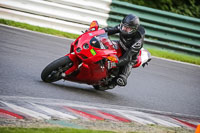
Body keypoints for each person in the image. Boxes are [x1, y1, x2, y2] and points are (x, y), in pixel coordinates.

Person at [103, 14, 145, 86]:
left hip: (130, 54)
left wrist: (114, 64)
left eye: (128, 28)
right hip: (120, 44)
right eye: (124, 26)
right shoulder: (122, 27)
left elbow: (127, 57)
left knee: (129, 62)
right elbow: (109, 30)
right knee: (106, 44)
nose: (124, 29)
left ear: (134, 29)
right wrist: (96, 32)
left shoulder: (137, 41)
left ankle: (123, 77)